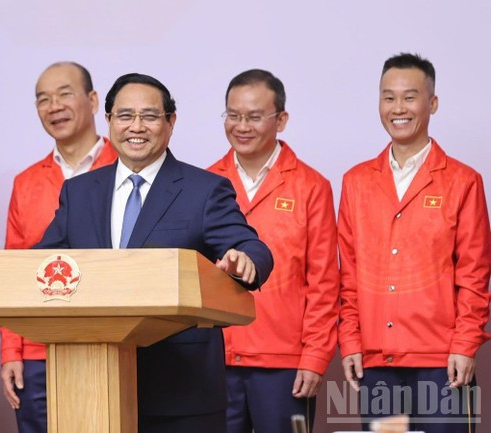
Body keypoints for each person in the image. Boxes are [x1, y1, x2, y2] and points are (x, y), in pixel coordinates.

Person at [36, 72, 273, 433]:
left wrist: (245, 260)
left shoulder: (204, 190)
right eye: (125, 115)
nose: (136, 126)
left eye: (149, 116)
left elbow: (251, 246)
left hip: (181, 389)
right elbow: (40, 264)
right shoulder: (79, 192)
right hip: (90, 387)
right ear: (109, 120)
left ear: (170, 122)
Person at [338, 53, 491, 433]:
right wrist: (350, 339)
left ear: (432, 103)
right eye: (388, 97)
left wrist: (464, 344)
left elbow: (475, 274)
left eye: (410, 97)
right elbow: (350, 272)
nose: (398, 108)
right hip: (377, 362)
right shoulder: (356, 182)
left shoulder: (462, 181)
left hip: (442, 363)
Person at [208, 69, 339, 433]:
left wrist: (314, 357)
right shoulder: (205, 183)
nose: (241, 126)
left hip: (284, 365)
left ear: (281, 120)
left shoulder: (311, 187)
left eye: (253, 116)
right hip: (216, 361)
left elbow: (324, 281)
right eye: (233, 116)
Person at [0, 61, 117, 433]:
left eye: (65, 93)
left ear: (93, 100)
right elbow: (15, 271)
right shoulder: (26, 183)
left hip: (116, 345)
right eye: (43, 99)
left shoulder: (129, 168)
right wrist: (11, 351)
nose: (54, 106)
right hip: (39, 352)